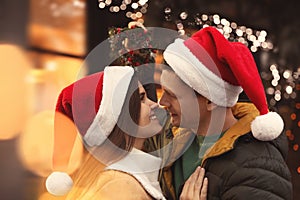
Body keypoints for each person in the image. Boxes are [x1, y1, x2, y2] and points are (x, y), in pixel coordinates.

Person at [150, 26, 292, 199]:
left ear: (211, 100)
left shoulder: (256, 171)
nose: (162, 102)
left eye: (173, 95)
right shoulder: (176, 135)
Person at [44, 66, 208, 199]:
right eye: (142, 99)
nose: (155, 104)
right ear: (119, 117)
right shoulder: (118, 186)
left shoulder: (126, 178)